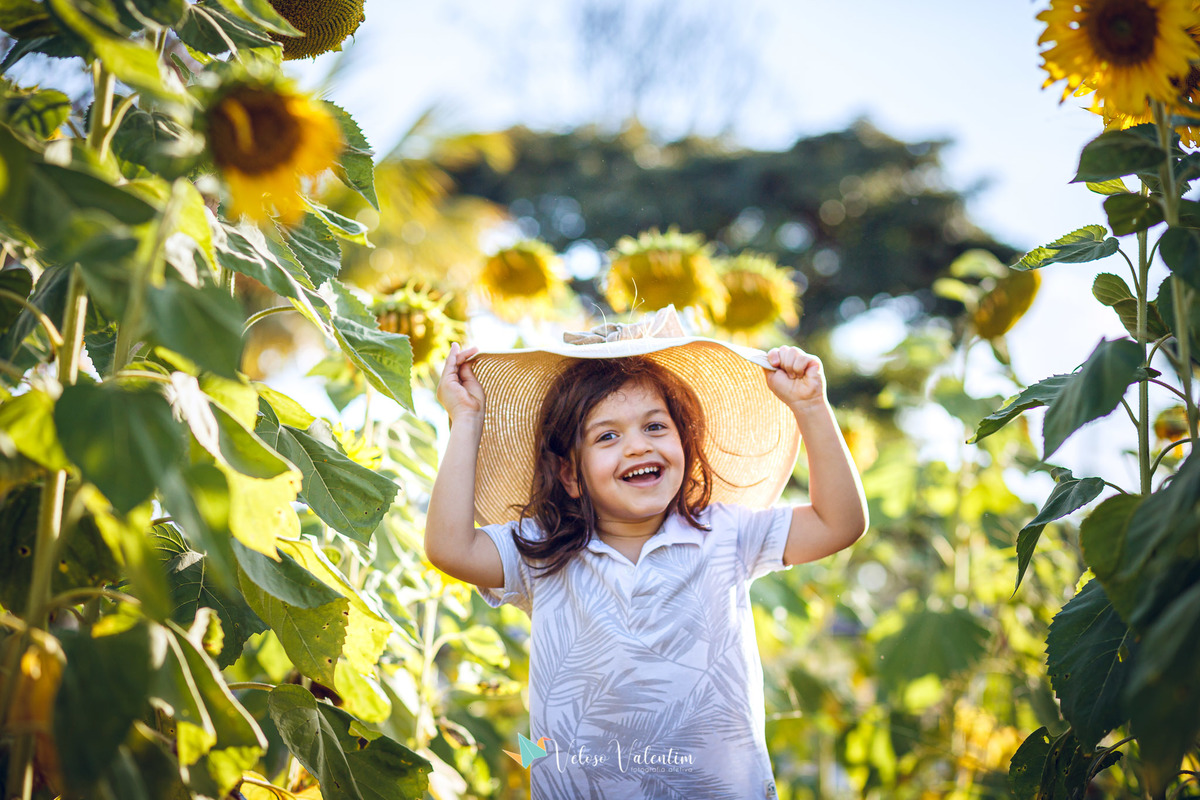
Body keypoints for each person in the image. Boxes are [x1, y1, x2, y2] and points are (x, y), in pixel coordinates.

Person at [425, 309, 868, 800]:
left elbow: (839, 523)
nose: (637, 446)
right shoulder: (544, 553)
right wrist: (466, 418)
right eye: (607, 436)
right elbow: (450, 548)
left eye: (655, 427)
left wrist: (811, 407)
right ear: (570, 475)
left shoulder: (725, 533)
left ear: (685, 441)